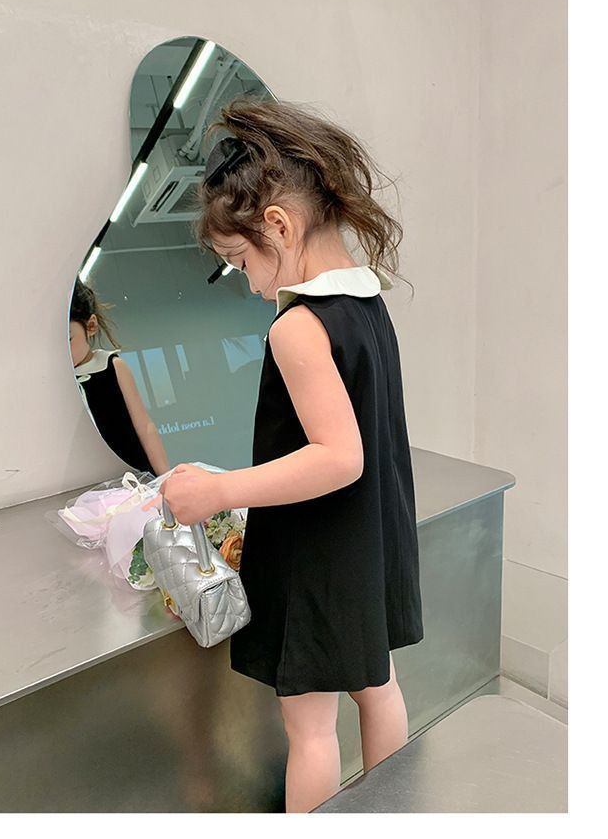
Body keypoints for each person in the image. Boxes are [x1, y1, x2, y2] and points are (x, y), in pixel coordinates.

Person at [142, 98, 424, 813]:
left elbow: (339, 456)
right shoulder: (366, 301)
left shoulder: (297, 327)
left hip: (319, 551)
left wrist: (218, 490)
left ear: (278, 225)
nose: (246, 281)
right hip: (372, 539)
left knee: (311, 728)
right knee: (380, 687)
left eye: (240, 261)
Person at [69, 277, 171, 477]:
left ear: (91, 326)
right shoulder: (57, 382)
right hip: (91, 481)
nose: (62, 349)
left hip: (135, 475)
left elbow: (144, 426)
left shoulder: (112, 366)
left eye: (68, 339)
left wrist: (165, 477)